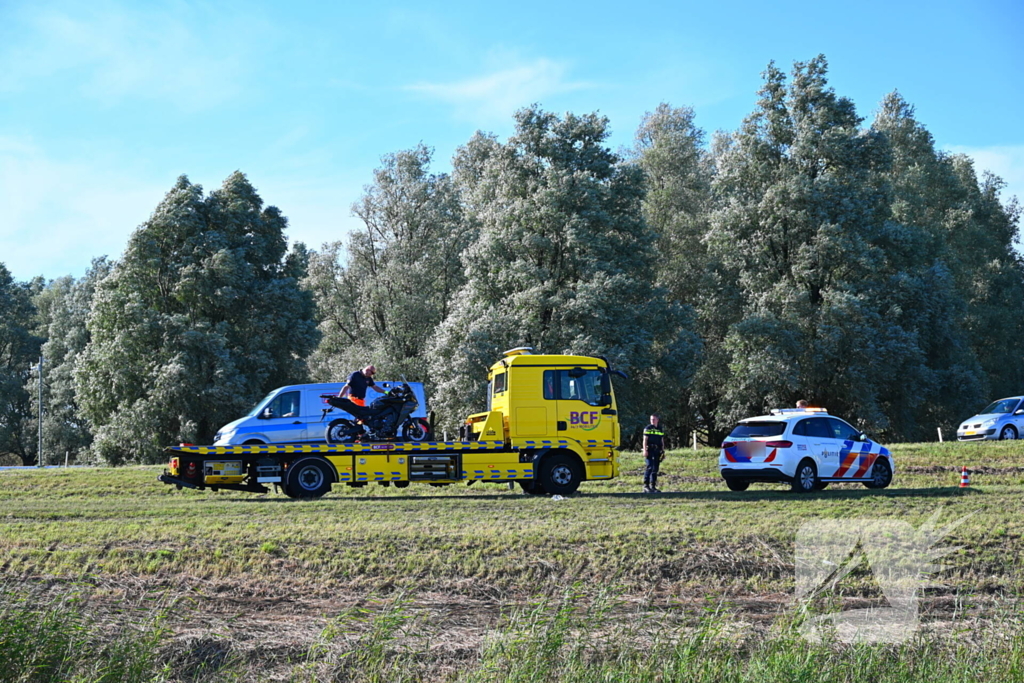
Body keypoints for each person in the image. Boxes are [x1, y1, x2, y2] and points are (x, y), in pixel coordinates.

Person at [642, 414, 665, 493]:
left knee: (655, 468)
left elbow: (662, 440)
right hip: (650, 450)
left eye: (654, 419)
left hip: (657, 450)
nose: (652, 421)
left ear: (657, 420)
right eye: (651, 419)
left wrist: (663, 451)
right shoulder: (647, 428)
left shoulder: (660, 429)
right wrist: (645, 450)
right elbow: (645, 440)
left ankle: (653, 486)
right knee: (649, 467)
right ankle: (646, 486)